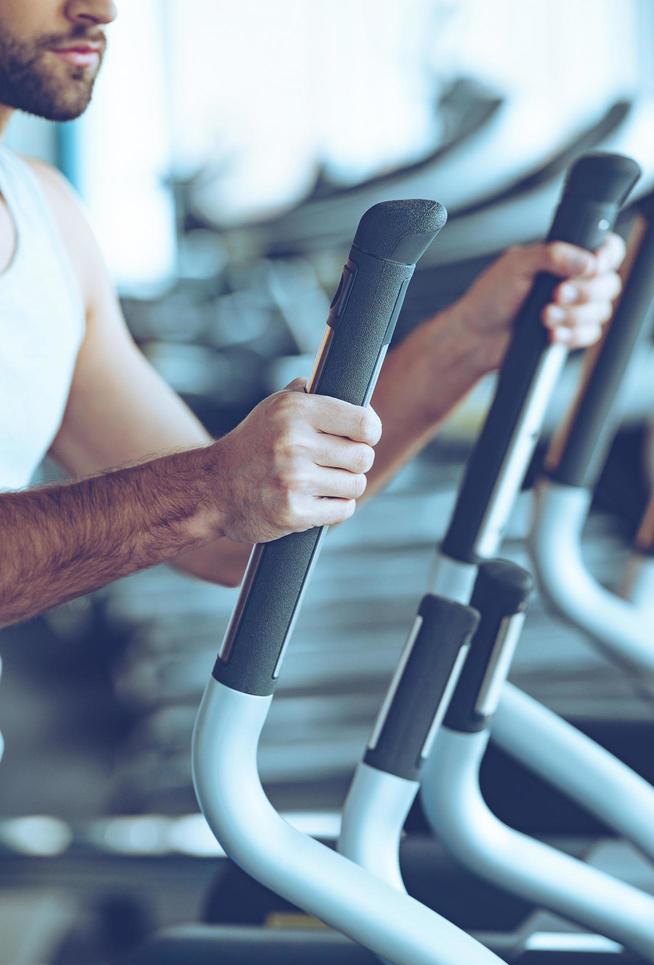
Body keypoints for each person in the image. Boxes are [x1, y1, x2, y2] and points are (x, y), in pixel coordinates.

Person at [0, 0, 626, 629]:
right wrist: (209, 489)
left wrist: (467, 339)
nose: (100, 10)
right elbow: (210, 500)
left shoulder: (46, 218)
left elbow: (228, 542)